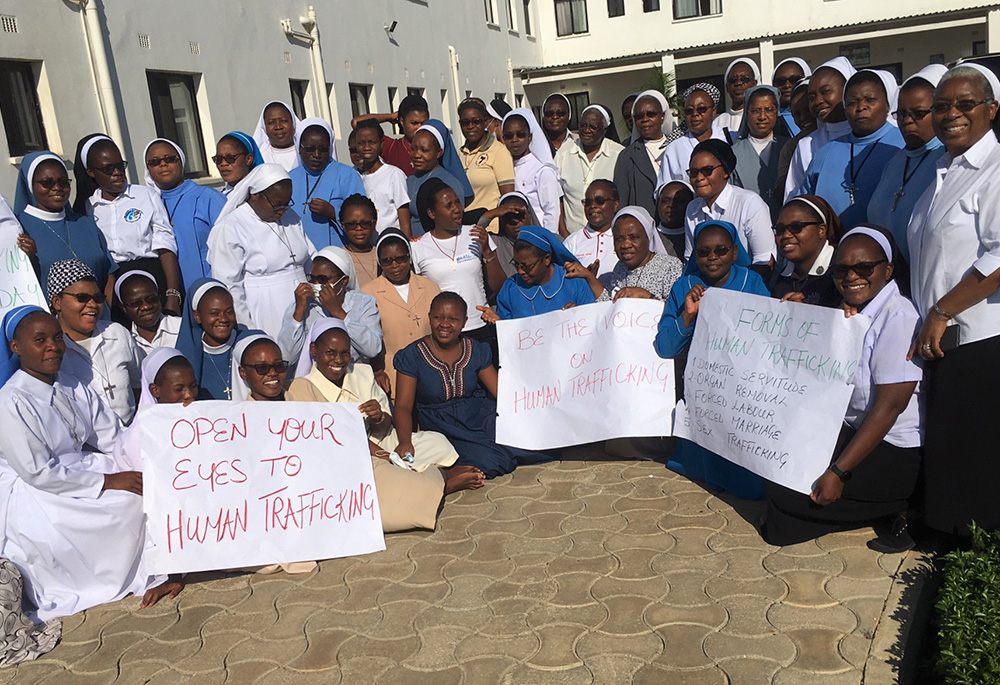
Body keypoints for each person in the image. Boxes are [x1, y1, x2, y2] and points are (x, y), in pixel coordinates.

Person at [0, 305, 180, 619]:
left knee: (141, 495)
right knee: (104, 510)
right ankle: (117, 578)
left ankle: (165, 564)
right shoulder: (10, 402)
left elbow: (112, 436)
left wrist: (142, 463)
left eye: (57, 337)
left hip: (82, 468)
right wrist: (109, 482)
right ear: (16, 348)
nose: (53, 346)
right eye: (40, 340)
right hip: (37, 489)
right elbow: (38, 472)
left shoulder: (73, 384)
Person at [763, 226, 922, 549]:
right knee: (775, 473)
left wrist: (838, 472)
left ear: (887, 270)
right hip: (850, 430)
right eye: (841, 270)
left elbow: (889, 407)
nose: (851, 276)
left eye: (864, 268)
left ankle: (898, 507)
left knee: (789, 504)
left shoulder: (899, 317)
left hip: (892, 447)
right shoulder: (848, 310)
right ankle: (870, 506)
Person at [907, 64, 1000, 537]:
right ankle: (947, 534)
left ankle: (971, 546)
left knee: (973, 444)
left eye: (965, 104)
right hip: (942, 334)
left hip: (979, 334)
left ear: (991, 109)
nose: (951, 114)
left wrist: (943, 311)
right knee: (948, 437)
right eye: (942, 106)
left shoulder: (995, 170)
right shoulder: (942, 168)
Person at [285, 319, 462, 533]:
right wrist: (380, 455)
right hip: (349, 456)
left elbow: (386, 423)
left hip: (381, 439)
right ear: (314, 350)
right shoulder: (303, 388)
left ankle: (416, 473)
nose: (339, 360)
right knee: (380, 478)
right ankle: (437, 480)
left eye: (344, 353)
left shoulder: (362, 372)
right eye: (330, 353)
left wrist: (378, 416)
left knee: (437, 443)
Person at [654, 221, 770, 499]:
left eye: (721, 250)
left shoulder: (751, 282)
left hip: (743, 389)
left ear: (733, 252)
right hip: (704, 390)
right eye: (704, 252)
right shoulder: (684, 287)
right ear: (695, 255)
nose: (712, 258)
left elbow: (768, 332)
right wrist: (688, 314)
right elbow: (665, 347)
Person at [394, 292, 548, 479]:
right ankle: (449, 472)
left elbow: (499, 392)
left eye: (453, 319)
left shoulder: (474, 349)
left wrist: (531, 417)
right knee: (493, 461)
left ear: (464, 322)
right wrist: (404, 441)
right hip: (443, 427)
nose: (444, 324)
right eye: (438, 317)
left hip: (479, 417)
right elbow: (402, 406)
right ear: (429, 317)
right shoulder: (412, 356)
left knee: (538, 445)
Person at [73, 135, 182, 316]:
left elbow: (166, 245)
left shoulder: (145, 196)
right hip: (113, 286)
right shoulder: (88, 208)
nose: (117, 173)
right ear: (91, 172)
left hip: (153, 278)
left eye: (120, 166)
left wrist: (172, 294)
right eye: (108, 169)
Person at [207, 163, 315, 338]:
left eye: (287, 203)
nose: (283, 210)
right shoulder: (231, 227)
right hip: (265, 311)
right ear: (255, 195)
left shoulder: (291, 217)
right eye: (277, 204)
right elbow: (229, 286)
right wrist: (247, 329)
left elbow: (310, 256)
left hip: (305, 307)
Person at [410, 178, 506, 358]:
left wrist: (486, 251)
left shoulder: (476, 234)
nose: (456, 209)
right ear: (431, 213)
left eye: (457, 203)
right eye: (448, 205)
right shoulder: (418, 247)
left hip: (480, 325)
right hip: (444, 334)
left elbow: (499, 285)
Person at [798, 69, 904, 227]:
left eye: (870, 100)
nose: (861, 107)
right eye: (852, 103)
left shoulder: (903, 144)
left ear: (887, 104)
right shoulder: (825, 153)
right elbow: (804, 208)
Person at [868, 65, 949, 262]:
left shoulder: (947, 158)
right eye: (902, 114)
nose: (907, 121)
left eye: (918, 113)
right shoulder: (895, 161)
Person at [48, 260, 143, 424]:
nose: (92, 305)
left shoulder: (118, 333)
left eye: (98, 298)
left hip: (131, 436)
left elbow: (139, 385)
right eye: (82, 298)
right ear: (57, 302)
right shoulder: (50, 348)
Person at [13, 151, 117, 294]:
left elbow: (108, 274)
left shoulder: (85, 223)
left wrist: (108, 313)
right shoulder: (19, 229)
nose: (57, 188)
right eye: (47, 183)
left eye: (63, 182)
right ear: (31, 185)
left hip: (99, 314)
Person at [361, 228, 441, 395]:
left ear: (409, 257)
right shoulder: (367, 293)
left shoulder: (430, 286)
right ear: (379, 262)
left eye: (400, 259)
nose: (395, 266)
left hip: (432, 372)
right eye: (387, 261)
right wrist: (377, 371)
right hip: (392, 375)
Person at [278, 245, 382, 370]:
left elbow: (373, 349)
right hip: (313, 380)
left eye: (323, 279)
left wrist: (338, 312)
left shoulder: (363, 303)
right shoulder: (302, 305)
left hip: (352, 377)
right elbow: (287, 357)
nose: (316, 284)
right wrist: (299, 313)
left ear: (343, 281)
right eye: (312, 278)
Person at [143, 138, 226, 290]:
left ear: (181, 160)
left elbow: (229, 246)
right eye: (154, 162)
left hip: (210, 290)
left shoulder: (208, 198)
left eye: (169, 159)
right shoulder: (147, 204)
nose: (163, 164)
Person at [683, 139, 775, 268]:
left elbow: (765, 261)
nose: (699, 178)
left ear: (726, 171)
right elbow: (691, 259)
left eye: (707, 170)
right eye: (693, 172)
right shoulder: (692, 208)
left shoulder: (750, 203)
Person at [478, 225, 595, 321]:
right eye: (516, 264)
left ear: (547, 259)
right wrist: (496, 322)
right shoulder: (510, 287)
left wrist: (579, 314)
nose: (520, 271)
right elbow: (506, 332)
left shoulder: (574, 283)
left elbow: (593, 320)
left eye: (528, 266)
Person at [567, 206, 682, 302]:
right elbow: (610, 304)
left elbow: (679, 312)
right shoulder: (620, 268)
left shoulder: (670, 266)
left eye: (634, 238)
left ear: (648, 238)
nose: (625, 245)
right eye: (619, 239)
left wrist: (648, 297)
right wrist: (588, 276)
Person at [784, 56, 856, 201]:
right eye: (812, 97)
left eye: (826, 91)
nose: (818, 101)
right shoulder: (806, 145)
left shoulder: (873, 135)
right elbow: (793, 199)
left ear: (847, 90)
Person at [288, 117, 366, 249]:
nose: (317, 154)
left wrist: (333, 212)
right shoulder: (289, 178)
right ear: (299, 149)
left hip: (338, 253)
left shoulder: (347, 175)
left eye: (323, 149)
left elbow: (363, 216)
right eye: (310, 149)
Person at [173, 278, 248, 400]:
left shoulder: (249, 343)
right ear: (197, 316)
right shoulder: (186, 357)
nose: (223, 319)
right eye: (214, 313)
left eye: (229, 312)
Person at [556, 105, 624, 234]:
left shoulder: (619, 154)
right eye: (583, 125)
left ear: (604, 130)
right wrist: (564, 233)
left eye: (593, 127)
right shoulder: (563, 154)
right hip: (572, 237)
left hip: (610, 237)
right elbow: (558, 198)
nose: (587, 130)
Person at [768, 195, 844, 306]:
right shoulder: (780, 279)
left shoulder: (843, 271)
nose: (786, 235)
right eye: (780, 229)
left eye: (796, 227)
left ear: (821, 230)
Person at [731, 86, 792, 218]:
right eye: (756, 111)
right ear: (746, 114)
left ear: (776, 113)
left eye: (769, 110)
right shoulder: (733, 154)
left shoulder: (789, 147)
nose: (762, 116)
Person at [501, 109, 564, 236]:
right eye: (509, 136)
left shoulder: (541, 169)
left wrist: (546, 240)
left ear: (529, 137)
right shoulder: (503, 167)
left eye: (520, 134)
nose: (514, 140)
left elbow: (551, 211)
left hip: (537, 237)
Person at [407, 119, 476, 235]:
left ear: (438, 152)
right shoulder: (409, 180)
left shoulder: (449, 183)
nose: (417, 155)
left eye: (425, 150)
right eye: (413, 149)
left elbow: (453, 222)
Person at [458, 97, 516, 233]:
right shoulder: (459, 154)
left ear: (484, 121)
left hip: (491, 231)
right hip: (465, 231)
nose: (470, 126)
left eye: (476, 121)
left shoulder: (499, 152)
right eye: (465, 122)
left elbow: (508, 199)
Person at [615, 90, 673, 214]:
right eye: (639, 116)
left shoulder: (677, 147)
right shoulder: (626, 156)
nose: (645, 119)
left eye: (651, 114)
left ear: (662, 116)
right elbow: (622, 201)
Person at [659, 84, 728, 185]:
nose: (695, 114)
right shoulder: (674, 149)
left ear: (713, 111)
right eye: (689, 111)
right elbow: (664, 187)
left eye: (701, 109)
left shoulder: (729, 138)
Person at [353, 119, 412, 237]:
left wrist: (407, 242)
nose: (366, 147)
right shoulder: (353, 176)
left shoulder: (394, 175)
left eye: (372, 142)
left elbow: (403, 214)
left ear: (381, 143)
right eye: (361, 143)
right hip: (367, 248)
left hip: (391, 244)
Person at [352, 94, 430, 176]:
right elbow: (356, 123)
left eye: (423, 123)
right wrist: (390, 116)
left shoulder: (433, 146)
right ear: (402, 121)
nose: (419, 127)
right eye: (414, 123)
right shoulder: (391, 146)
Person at [563, 179, 622, 283]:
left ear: (616, 205)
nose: (593, 206)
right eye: (588, 202)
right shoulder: (572, 242)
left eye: (600, 201)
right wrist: (585, 279)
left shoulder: (624, 238)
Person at [473, 191, 538, 279]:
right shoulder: (495, 242)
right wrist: (493, 213)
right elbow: (472, 235)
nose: (515, 221)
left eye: (520, 215)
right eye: (508, 217)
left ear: (529, 215)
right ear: (501, 220)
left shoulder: (547, 240)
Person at [115, 270, 181, 353]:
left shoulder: (181, 327)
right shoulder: (124, 341)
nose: (146, 306)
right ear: (124, 308)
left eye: (151, 299)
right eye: (136, 303)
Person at [775, 79, 818, 199]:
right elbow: (782, 191)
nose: (803, 117)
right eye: (797, 114)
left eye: (807, 110)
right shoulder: (791, 147)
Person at [340, 194, 380, 289]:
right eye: (351, 224)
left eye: (365, 223)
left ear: (374, 223)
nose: (359, 228)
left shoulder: (383, 255)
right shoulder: (341, 260)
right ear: (343, 226)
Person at [716, 58, 761, 135]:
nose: (738, 83)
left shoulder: (763, 116)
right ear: (727, 87)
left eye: (744, 79)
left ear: (754, 84)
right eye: (733, 80)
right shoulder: (718, 122)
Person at [253, 101, 301, 171]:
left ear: (293, 122)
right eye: (271, 123)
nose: (278, 127)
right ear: (264, 127)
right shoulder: (260, 160)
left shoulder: (308, 153)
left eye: (283, 121)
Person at [213, 131, 264, 195]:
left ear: (248, 159)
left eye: (230, 158)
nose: (223, 163)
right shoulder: (219, 197)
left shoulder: (260, 197)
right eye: (218, 159)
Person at [654, 180, 694, 259]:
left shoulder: (696, 237)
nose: (671, 205)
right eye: (665, 201)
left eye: (679, 201)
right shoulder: (648, 238)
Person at [772, 58, 812, 135]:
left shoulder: (819, 114)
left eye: (794, 80)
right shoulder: (769, 119)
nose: (787, 85)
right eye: (780, 81)